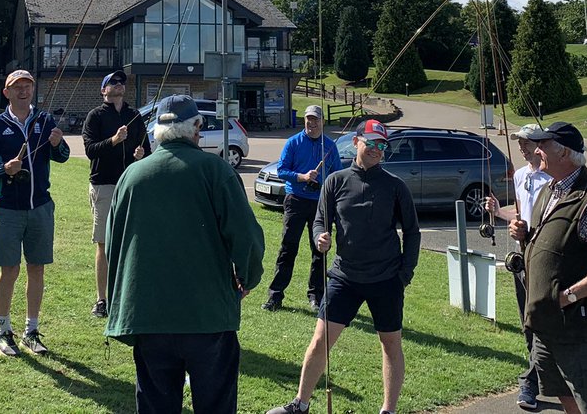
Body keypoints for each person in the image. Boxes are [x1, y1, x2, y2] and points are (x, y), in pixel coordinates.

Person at [105, 95, 265, 414]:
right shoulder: (215, 170)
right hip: (207, 317)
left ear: (158, 132)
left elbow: (112, 245)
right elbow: (246, 237)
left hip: (149, 316)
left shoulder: (132, 176)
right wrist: (247, 279)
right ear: (196, 128)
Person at [267, 119, 420, 414]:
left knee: (390, 345)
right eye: (371, 143)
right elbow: (321, 220)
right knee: (321, 341)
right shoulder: (335, 181)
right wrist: (319, 237)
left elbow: (412, 232)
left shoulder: (395, 186)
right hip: (344, 277)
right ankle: (300, 404)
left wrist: (405, 274)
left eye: (382, 146)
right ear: (356, 142)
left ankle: (388, 409)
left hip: (386, 279)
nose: (376, 150)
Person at [509, 121, 587, 414]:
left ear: (564, 153)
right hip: (547, 328)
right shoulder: (550, 190)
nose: (537, 150)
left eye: (544, 144)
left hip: (581, 334)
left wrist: (568, 297)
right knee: (565, 399)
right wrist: (526, 236)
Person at [0, 69, 69, 357]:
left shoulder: (45, 120)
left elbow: (62, 156)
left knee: (36, 267)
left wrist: (57, 143)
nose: (23, 91)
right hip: (6, 209)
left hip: (40, 206)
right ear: (7, 92)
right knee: (10, 269)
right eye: (17, 87)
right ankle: (3, 330)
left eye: (28, 86)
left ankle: (32, 330)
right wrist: (4, 169)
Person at [487, 123, 552, 411]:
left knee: (543, 319)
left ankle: (534, 379)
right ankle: (535, 379)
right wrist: (499, 212)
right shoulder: (521, 175)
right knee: (527, 320)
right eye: (520, 143)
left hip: (546, 257)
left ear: (541, 144)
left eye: (526, 142)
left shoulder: (554, 179)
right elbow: (520, 213)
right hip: (520, 258)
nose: (522, 147)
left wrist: (529, 231)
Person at [82, 69, 150, 317]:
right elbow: (90, 150)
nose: (119, 85)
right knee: (103, 242)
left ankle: (129, 294)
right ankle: (102, 300)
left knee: (132, 241)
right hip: (104, 184)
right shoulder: (95, 116)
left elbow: (148, 150)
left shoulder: (134, 116)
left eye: (121, 82)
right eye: (113, 82)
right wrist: (113, 140)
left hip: (131, 184)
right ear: (104, 90)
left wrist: (141, 154)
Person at [263, 104, 342, 314]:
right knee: (288, 248)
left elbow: (338, 176)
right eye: (308, 119)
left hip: (320, 204)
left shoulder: (331, 147)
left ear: (322, 121)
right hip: (296, 200)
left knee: (319, 250)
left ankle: (316, 296)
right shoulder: (293, 142)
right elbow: (281, 170)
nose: (311, 123)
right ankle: (275, 295)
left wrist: (323, 182)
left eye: (315, 119)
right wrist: (302, 177)